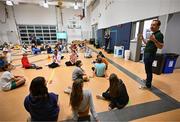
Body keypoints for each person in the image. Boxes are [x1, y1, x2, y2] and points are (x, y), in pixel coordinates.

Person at [140, 20, 164, 89]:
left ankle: (148, 85)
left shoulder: (159, 35)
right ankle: (147, 80)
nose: (151, 26)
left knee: (149, 69)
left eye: (154, 25)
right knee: (147, 69)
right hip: (147, 53)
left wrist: (155, 40)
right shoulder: (153, 34)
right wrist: (143, 39)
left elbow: (161, 46)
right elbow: (147, 44)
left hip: (150, 54)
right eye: (151, 25)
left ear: (158, 26)